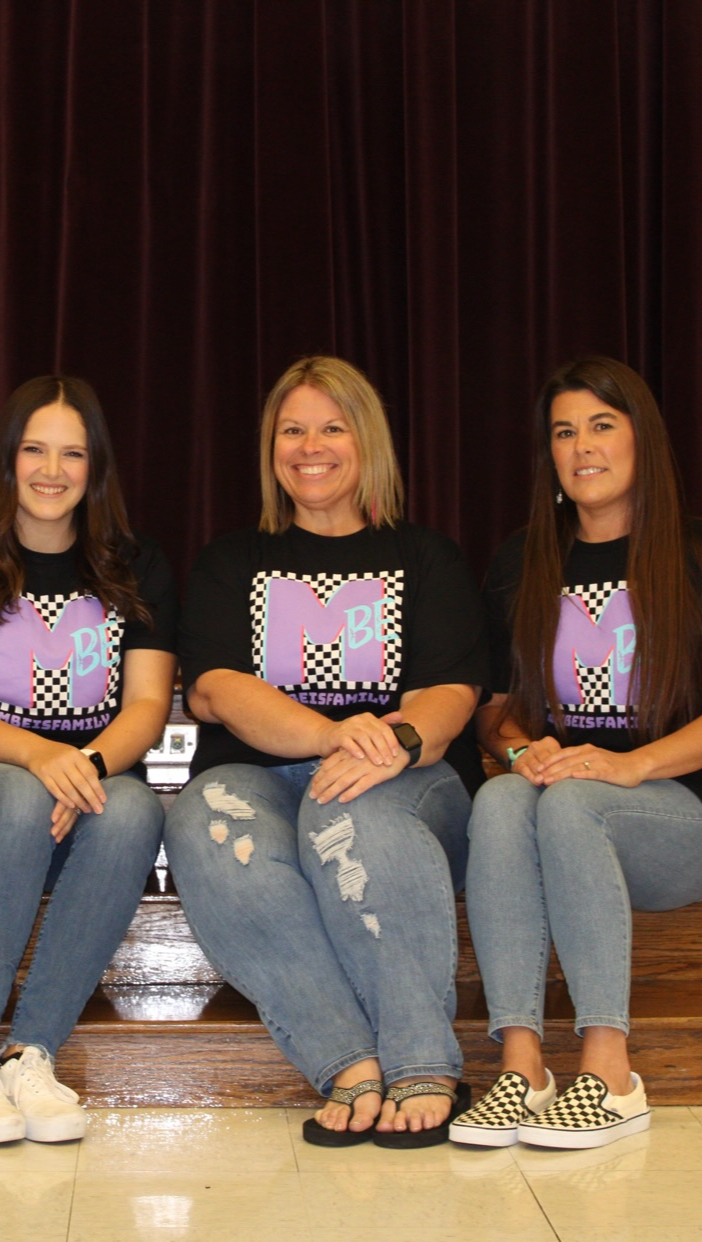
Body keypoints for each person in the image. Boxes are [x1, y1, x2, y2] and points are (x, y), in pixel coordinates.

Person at [451, 356, 702, 1150]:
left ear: (642, 439)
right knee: (501, 797)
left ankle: (609, 1073)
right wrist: (518, 755)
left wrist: (628, 764)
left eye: (602, 425)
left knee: (573, 799)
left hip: (683, 821)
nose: (582, 446)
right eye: (564, 432)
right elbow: (493, 718)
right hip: (559, 808)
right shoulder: (519, 562)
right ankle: (522, 1069)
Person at [163, 356, 488, 1148]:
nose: (311, 446)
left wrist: (394, 741)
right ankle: (346, 1060)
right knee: (207, 820)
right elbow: (213, 691)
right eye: (292, 429)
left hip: (404, 780)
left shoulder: (427, 558)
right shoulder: (231, 561)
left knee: (350, 806)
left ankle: (420, 1060)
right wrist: (329, 734)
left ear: (365, 441)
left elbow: (452, 694)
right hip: (263, 774)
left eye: (332, 427)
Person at [0, 375, 177, 1145]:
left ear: (96, 469)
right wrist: (44, 758)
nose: (52, 470)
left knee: (136, 809)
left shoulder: (134, 564)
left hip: (75, 798)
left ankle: (30, 1054)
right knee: (19, 799)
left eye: (72, 453)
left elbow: (147, 708)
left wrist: (80, 765)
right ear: (6, 460)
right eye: (34, 449)